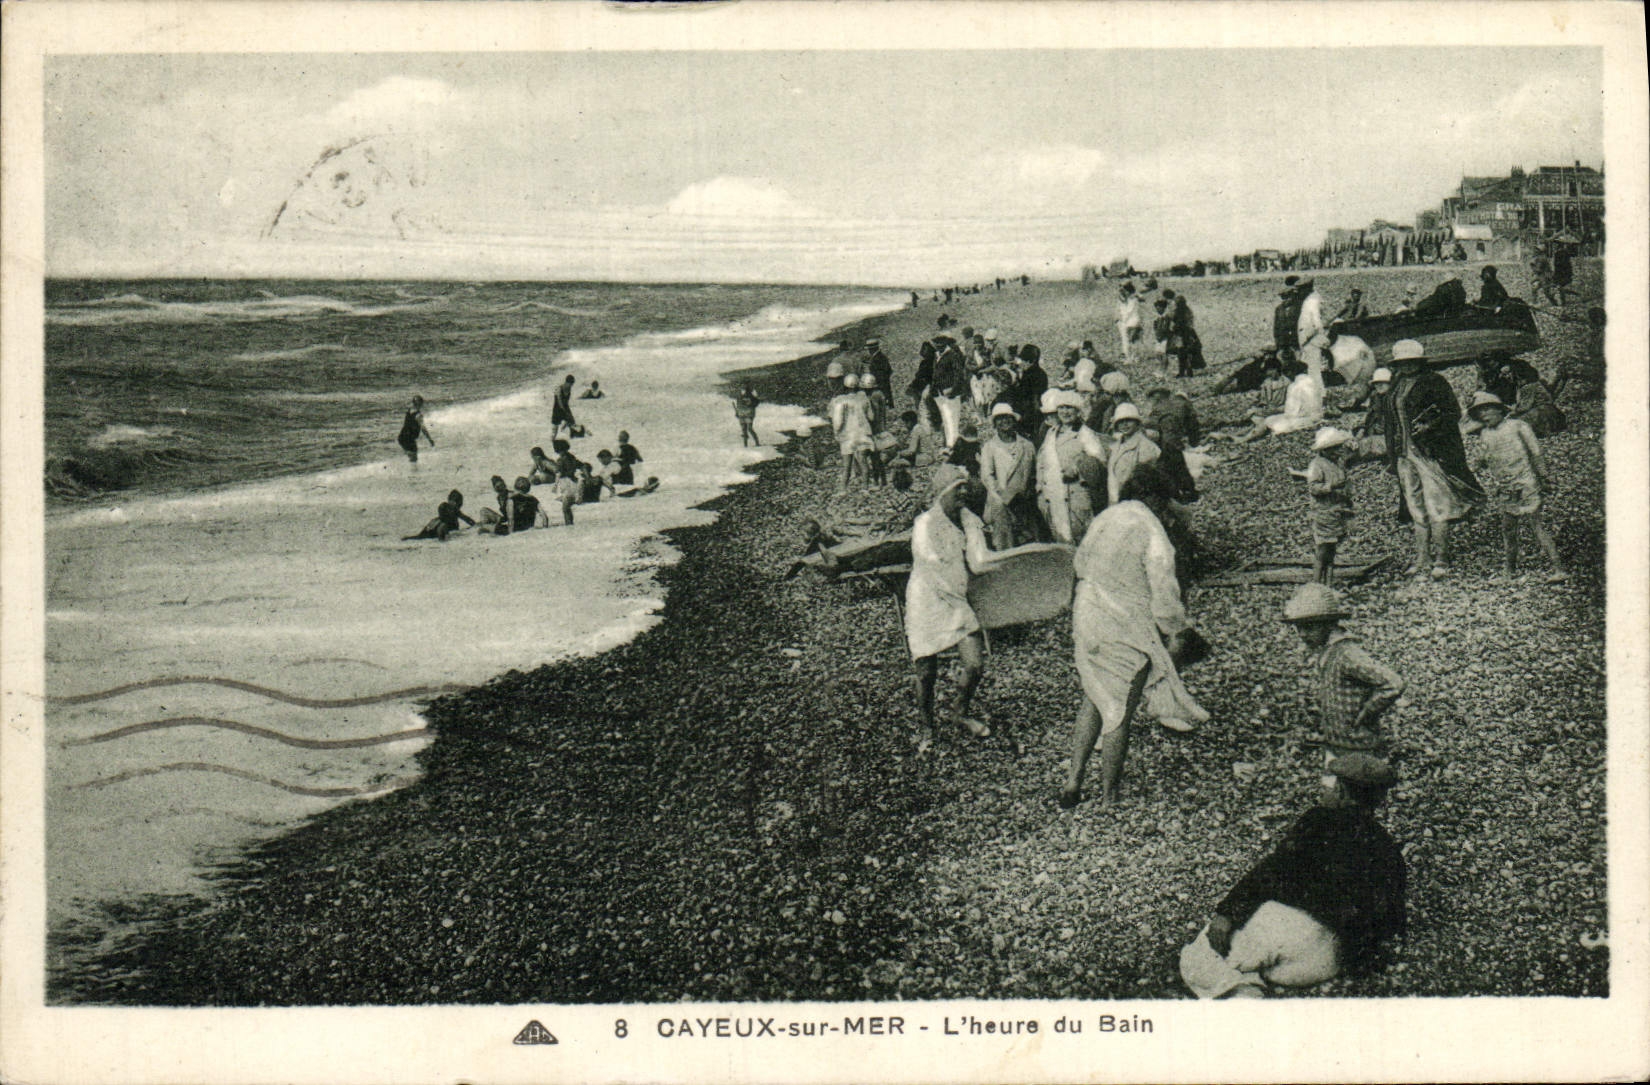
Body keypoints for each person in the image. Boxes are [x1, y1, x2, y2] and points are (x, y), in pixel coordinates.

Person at [1179, 752, 1406, 999]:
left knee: (1200, 955)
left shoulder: (1318, 821)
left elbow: (1271, 870)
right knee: (1256, 956)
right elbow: (1389, 917)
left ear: (1340, 791)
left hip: (1293, 937)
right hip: (1326, 962)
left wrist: (1226, 915)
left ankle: (1244, 997)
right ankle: (1247, 981)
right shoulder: (1388, 848)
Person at [1061, 463, 1209, 808]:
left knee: (1093, 696)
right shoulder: (1151, 529)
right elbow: (1164, 591)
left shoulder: (1106, 517)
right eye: (1162, 500)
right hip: (1122, 618)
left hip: (1087, 611)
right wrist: (1176, 630)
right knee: (1120, 707)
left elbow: (1079, 562)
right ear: (1153, 498)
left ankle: (1073, 781)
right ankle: (1110, 796)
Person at [905, 473, 997, 745]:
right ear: (942, 492)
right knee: (926, 671)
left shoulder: (969, 520)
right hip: (927, 600)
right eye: (958, 489)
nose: (963, 494)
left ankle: (960, 711)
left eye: (965, 489)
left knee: (975, 664)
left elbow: (979, 561)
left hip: (957, 599)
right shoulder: (924, 524)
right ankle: (927, 725)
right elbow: (930, 563)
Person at [1380, 339, 1482, 579]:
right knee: (1415, 507)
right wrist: (1392, 455)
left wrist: (1429, 426)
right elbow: (1390, 421)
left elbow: (1452, 413)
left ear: (1419, 361)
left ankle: (1441, 559)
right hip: (1405, 454)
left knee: (1437, 505)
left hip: (1430, 453)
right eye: (1402, 363)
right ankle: (1422, 558)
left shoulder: (1434, 381)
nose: (1407, 366)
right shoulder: (1395, 386)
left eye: (1411, 362)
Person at [1281, 583, 1405, 760]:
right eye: (1298, 628)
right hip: (1337, 746)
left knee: (1356, 785)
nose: (1302, 634)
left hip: (1360, 749)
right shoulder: (1328, 652)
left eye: (1309, 627)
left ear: (1329, 625)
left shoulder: (1347, 653)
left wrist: (1368, 711)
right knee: (1334, 785)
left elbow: (1393, 683)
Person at [1466, 392, 1568, 582]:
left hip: (1526, 482)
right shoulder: (1486, 434)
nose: (1484, 415)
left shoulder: (1518, 426)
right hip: (1505, 487)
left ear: (1500, 410)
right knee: (1508, 529)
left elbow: (1536, 453)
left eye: (1488, 409)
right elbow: (1483, 458)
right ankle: (1509, 571)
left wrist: (1544, 477)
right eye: (1480, 412)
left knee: (1536, 525)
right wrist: (1476, 465)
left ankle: (1558, 568)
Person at [1036, 390, 1106, 544]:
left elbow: (1099, 462)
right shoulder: (1051, 433)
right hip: (1052, 496)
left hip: (1075, 496)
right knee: (1060, 542)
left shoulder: (1085, 434)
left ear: (1077, 411)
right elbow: (1041, 461)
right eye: (1062, 408)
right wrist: (1040, 491)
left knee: (1082, 540)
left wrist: (1077, 469)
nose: (1065, 412)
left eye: (1070, 408)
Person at [1296, 429, 1355, 585]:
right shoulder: (1316, 465)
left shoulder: (1337, 463)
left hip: (1337, 510)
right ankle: (1316, 583)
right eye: (1334, 448)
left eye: (1338, 447)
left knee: (1332, 550)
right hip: (1324, 511)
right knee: (1322, 549)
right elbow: (1313, 488)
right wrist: (1331, 486)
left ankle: (1328, 583)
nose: (1338, 451)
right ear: (1325, 450)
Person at [979, 402, 1039, 549]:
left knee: (1028, 544)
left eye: (1008, 418)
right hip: (1001, 502)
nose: (1004, 421)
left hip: (1024, 502)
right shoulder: (990, 447)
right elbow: (987, 476)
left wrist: (1029, 491)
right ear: (995, 424)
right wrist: (1005, 496)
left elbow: (1034, 473)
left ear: (1014, 420)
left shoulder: (1027, 445)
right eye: (1000, 419)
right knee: (1005, 544)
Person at [1105, 403, 1161, 523]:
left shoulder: (1146, 447)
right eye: (1121, 421)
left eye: (1129, 420)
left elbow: (1146, 483)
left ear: (1137, 423)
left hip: (1137, 505)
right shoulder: (1115, 447)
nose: (1124, 424)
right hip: (1116, 501)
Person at [829, 372, 874, 491]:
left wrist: (836, 433)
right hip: (862, 434)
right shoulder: (864, 399)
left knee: (847, 465)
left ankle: (843, 489)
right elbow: (871, 417)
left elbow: (838, 421)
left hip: (848, 436)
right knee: (864, 463)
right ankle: (865, 488)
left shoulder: (840, 401)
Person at [930, 335, 969, 448]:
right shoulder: (936, 355)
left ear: (945, 343)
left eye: (940, 343)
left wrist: (953, 388)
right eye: (936, 343)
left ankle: (954, 444)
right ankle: (949, 443)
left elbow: (958, 374)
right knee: (946, 418)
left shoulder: (952, 355)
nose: (938, 345)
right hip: (939, 392)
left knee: (953, 419)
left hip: (950, 393)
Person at [402, 489, 475, 541]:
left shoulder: (452, 509)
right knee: (422, 536)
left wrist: (474, 524)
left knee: (420, 537)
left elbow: (466, 518)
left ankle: (407, 538)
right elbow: (465, 519)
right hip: (438, 527)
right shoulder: (448, 508)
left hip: (437, 525)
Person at [1295, 279, 1328, 374]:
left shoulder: (1313, 300)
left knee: (1313, 370)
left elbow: (1316, 323)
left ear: (1307, 288)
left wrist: (1306, 337)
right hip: (1308, 340)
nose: (1299, 292)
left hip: (1311, 340)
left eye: (1301, 290)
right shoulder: (1310, 299)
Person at [1272, 276, 1304, 364]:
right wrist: (1279, 346)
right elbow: (1276, 329)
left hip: (1296, 345)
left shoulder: (1299, 308)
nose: (1286, 299)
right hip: (1283, 346)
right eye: (1283, 297)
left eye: (1288, 296)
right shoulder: (1279, 309)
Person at [397, 395, 434, 465]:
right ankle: (413, 473)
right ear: (421, 404)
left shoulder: (409, 410)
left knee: (411, 457)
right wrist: (430, 439)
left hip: (402, 437)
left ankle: (410, 472)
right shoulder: (418, 415)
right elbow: (423, 429)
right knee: (414, 458)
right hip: (409, 439)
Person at [1116, 283, 1143, 364]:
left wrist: (1122, 320)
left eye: (1126, 291)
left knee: (1131, 340)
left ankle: (1132, 357)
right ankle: (1132, 357)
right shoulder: (1129, 299)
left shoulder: (1132, 300)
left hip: (1132, 322)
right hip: (1130, 322)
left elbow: (1128, 312)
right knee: (1131, 341)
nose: (1125, 293)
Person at [733, 382, 761, 447]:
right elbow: (738, 404)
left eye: (744, 384)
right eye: (741, 385)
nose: (742, 386)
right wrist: (737, 412)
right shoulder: (739, 393)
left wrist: (751, 405)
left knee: (749, 428)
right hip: (741, 413)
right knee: (743, 429)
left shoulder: (751, 392)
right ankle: (745, 445)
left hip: (749, 413)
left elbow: (757, 401)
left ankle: (757, 443)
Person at [551, 374, 578, 440]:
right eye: (571, 384)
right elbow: (559, 401)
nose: (571, 386)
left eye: (572, 384)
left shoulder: (569, 389)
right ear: (567, 382)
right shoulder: (559, 389)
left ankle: (569, 433)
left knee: (572, 422)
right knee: (555, 427)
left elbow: (566, 401)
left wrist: (567, 411)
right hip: (557, 409)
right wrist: (564, 410)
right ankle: (553, 439)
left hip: (565, 407)